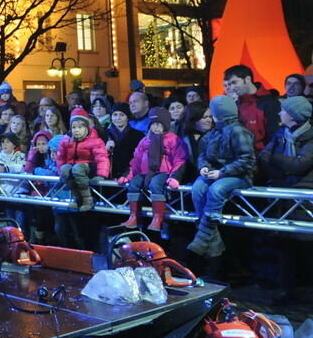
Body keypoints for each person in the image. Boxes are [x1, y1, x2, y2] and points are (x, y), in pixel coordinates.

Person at [188, 95, 255, 256]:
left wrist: (223, 172)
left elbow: (247, 160)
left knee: (216, 189)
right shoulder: (214, 132)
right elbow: (204, 155)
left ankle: (203, 235)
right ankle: (212, 240)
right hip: (217, 173)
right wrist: (203, 167)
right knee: (197, 187)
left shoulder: (238, 130)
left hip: (239, 176)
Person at [117, 108, 187, 231]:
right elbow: (136, 160)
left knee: (155, 184)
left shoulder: (172, 139)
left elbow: (180, 159)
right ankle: (134, 216)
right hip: (146, 172)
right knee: (134, 184)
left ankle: (158, 217)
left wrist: (174, 177)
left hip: (164, 172)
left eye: (159, 124)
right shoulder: (145, 140)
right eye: (153, 124)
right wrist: (127, 175)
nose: (156, 127)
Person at [56, 108, 110, 212]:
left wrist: (101, 175)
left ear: (86, 128)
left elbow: (102, 158)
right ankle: (77, 198)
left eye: (80, 127)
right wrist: (61, 172)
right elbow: (60, 157)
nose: (76, 130)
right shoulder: (66, 140)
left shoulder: (95, 140)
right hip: (73, 167)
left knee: (78, 168)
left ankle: (87, 200)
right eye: (74, 127)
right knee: (65, 169)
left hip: (89, 166)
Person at [258, 96, 313, 188]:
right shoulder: (281, 133)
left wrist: (274, 157)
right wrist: (280, 174)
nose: (279, 113)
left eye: (283, 111)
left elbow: (299, 166)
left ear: (292, 115)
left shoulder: (310, 136)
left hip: (304, 188)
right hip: (279, 183)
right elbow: (263, 157)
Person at [223, 64, 280, 151]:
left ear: (247, 79)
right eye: (230, 84)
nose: (232, 87)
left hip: (263, 158)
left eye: (234, 82)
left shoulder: (269, 102)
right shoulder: (235, 104)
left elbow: (275, 136)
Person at [105, 102, 145, 182]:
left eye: (122, 115)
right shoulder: (104, 134)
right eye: (115, 115)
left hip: (130, 175)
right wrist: (105, 149)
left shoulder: (138, 135)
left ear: (127, 117)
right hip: (109, 176)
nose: (118, 118)